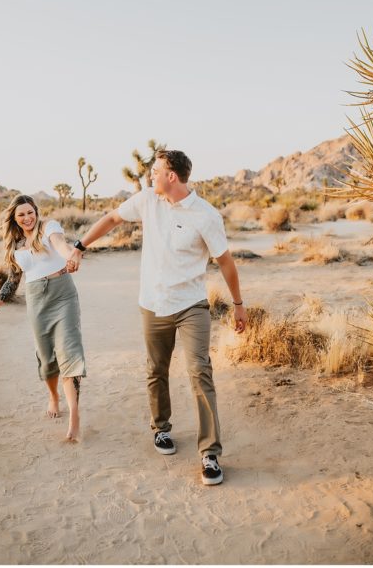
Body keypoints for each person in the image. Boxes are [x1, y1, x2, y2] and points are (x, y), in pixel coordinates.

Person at [67, 149, 248, 486]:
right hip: (153, 303)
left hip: (191, 303)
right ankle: (161, 428)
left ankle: (210, 453)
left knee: (200, 371)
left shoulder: (206, 215)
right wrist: (80, 245)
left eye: (156, 170)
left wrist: (238, 303)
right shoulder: (148, 199)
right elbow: (111, 219)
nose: (151, 174)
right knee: (156, 369)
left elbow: (225, 262)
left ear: (172, 176)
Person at [0, 195, 86, 442]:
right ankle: (53, 397)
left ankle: (75, 418)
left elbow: (60, 244)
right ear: (14, 220)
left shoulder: (49, 227)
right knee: (47, 357)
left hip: (63, 294)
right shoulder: (15, 245)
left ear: (36, 211)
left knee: (70, 351)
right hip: (36, 299)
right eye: (21, 215)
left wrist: (71, 253)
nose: (27, 218)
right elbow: (13, 280)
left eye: (30, 212)